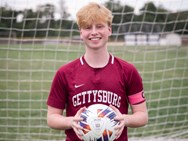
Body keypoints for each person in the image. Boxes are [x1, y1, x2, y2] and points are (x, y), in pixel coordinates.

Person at [47, 2, 148, 141]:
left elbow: (142, 115)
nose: (94, 32)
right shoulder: (65, 73)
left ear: (109, 30)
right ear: (81, 32)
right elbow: (52, 117)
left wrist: (126, 119)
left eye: (99, 26)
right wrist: (71, 122)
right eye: (88, 27)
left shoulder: (128, 71)